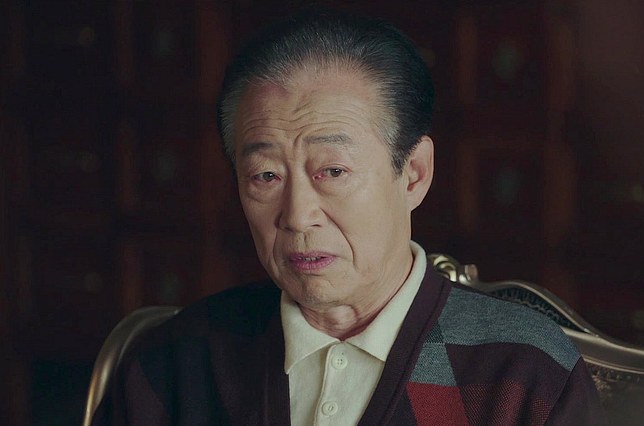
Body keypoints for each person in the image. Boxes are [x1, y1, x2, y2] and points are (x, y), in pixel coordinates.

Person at [92, 9, 605, 425]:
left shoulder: (525, 374)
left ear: (414, 174)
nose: (297, 216)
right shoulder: (173, 364)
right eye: (266, 176)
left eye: (333, 171)